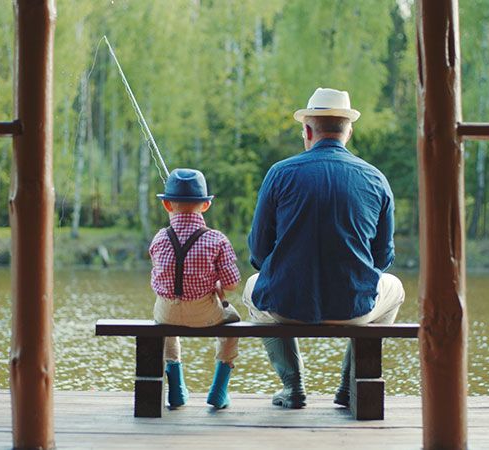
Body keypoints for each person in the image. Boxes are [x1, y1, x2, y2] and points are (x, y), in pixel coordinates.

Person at [243, 87, 405, 409]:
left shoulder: (279, 174)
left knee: (252, 288)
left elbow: (259, 255)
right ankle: (351, 386)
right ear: (349, 131)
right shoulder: (376, 179)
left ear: (307, 130)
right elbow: (383, 259)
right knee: (395, 289)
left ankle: (293, 386)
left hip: (286, 307)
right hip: (354, 309)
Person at [149, 168, 242, 409]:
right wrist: (218, 285)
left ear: (167, 205)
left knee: (167, 324)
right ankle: (219, 390)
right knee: (233, 322)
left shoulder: (159, 238)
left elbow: (158, 278)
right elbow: (231, 284)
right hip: (205, 315)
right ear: (205, 206)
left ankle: (177, 387)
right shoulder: (216, 239)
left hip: (166, 313)